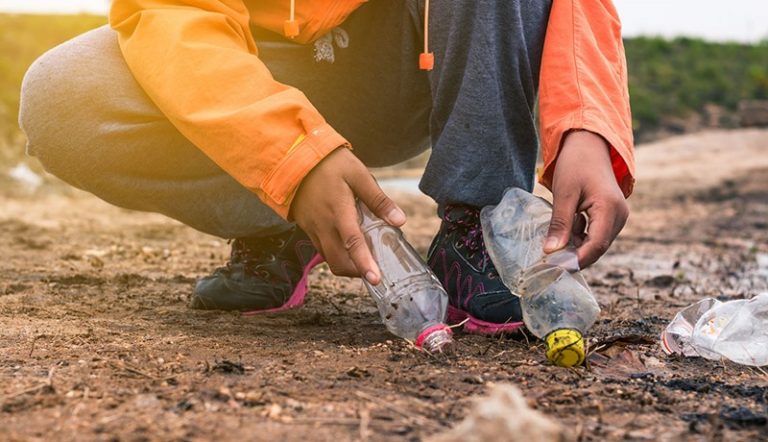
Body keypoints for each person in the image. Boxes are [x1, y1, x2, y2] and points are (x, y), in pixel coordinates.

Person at [19, 0, 634, 335]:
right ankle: (283, 219)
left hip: (411, 58)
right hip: (260, 66)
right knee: (64, 97)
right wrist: (288, 157)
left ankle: (477, 222)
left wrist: (585, 122)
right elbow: (175, 15)